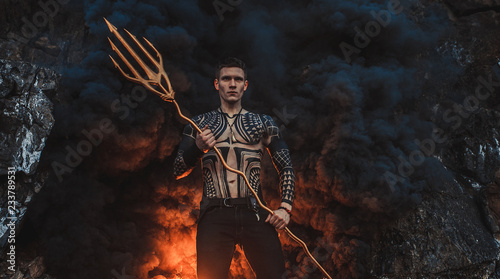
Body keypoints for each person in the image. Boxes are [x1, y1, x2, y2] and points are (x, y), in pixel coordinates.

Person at [173, 57, 295, 279]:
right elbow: (178, 169)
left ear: (245, 85)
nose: (232, 84)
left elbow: (285, 166)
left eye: (237, 79)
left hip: (256, 213)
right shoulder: (198, 123)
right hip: (214, 214)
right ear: (216, 84)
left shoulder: (264, 123)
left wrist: (285, 208)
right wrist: (198, 148)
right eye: (226, 78)